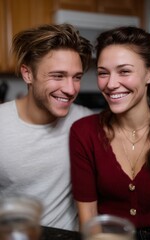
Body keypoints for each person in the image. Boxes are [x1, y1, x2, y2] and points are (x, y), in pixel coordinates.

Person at [69, 26, 150, 239]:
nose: (110, 84)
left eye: (124, 71)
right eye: (103, 73)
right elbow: (89, 221)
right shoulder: (83, 132)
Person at [0, 23, 93, 230]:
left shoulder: (85, 123)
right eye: (57, 76)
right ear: (27, 74)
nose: (70, 89)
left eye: (76, 77)